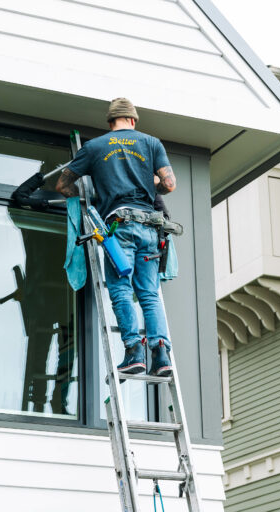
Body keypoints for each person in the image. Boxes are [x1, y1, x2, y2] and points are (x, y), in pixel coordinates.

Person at [55, 98, 177, 377]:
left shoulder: (95, 147)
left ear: (110, 122)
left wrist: (91, 200)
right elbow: (169, 184)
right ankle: (161, 355)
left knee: (121, 289)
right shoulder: (151, 143)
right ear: (132, 121)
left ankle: (134, 351)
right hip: (150, 227)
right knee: (149, 293)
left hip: (119, 226)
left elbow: (62, 185)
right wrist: (148, 182)